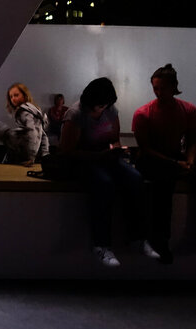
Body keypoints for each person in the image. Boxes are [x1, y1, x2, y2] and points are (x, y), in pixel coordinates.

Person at [59, 77, 158, 267]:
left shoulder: (110, 110)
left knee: (136, 179)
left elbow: (115, 138)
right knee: (104, 184)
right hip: (84, 161)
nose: (100, 109)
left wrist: (116, 150)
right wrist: (98, 156)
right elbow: (67, 151)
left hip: (106, 157)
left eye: (103, 106)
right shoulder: (76, 114)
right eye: (98, 106)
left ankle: (138, 239)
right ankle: (101, 245)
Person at [132, 64, 196, 264]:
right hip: (151, 160)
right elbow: (145, 148)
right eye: (155, 88)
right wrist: (177, 163)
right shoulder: (144, 113)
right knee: (163, 184)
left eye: (163, 88)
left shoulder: (188, 110)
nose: (159, 93)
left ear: (174, 87)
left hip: (176, 158)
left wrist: (190, 161)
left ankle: (185, 236)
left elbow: (193, 140)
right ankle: (160, 240)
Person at [0, 82, 49, 165]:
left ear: (24, 95)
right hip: (24, 148)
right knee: (11, 152)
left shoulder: (24, 111)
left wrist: (31, 156)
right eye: (11, 97)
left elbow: (32, 132)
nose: (13, 99)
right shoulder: (36, 111)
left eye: (16, 95)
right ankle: (5, 162)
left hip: (21, 144)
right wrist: (45, 154)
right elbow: (43, 135)